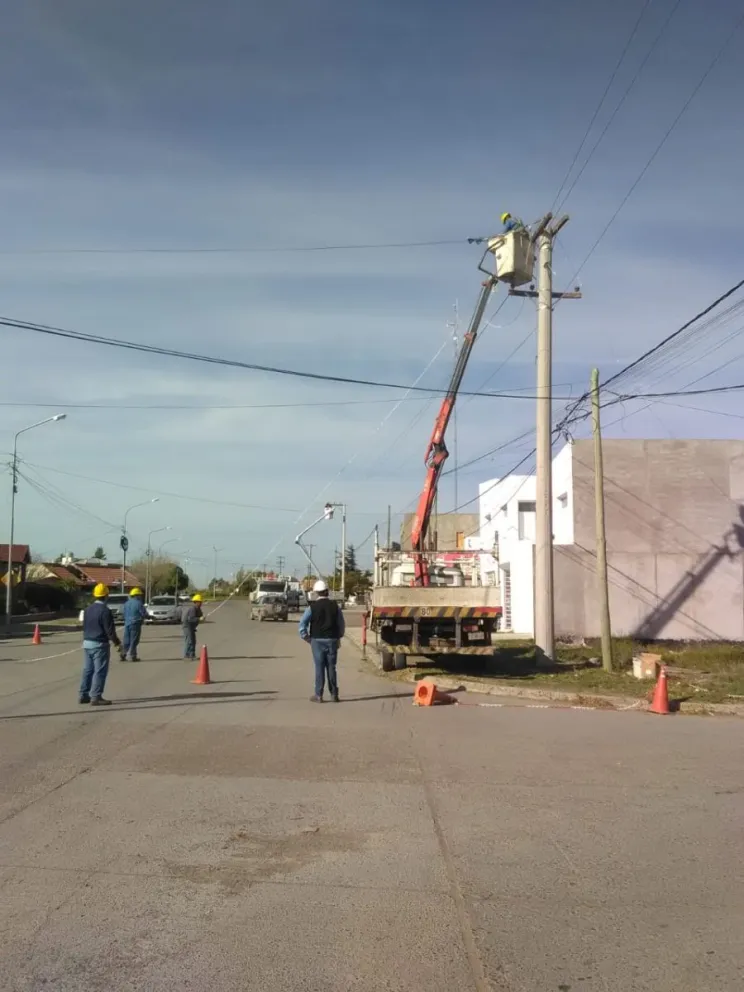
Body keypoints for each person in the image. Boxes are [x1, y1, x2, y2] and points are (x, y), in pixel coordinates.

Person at [298, 580, 345, 703]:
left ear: (316, 593)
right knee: (331, 667)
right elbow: (341, 624)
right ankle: (334, 694)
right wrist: (338, 637)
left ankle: (318, 695)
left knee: (319, 667)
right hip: (332, 640)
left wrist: (306, 637)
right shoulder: (335, 606)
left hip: (317, 640)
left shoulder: (312, 608)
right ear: (327, 591)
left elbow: (302, 624)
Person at [79, 582, 121, 706]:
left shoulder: (87, 609)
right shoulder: (105, 611)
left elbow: (85, 626)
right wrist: (117, 643)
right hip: (99, 644)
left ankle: (83, 694)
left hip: (87, 643)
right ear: (106, 595)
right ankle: (96, 696)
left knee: (88, 670)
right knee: (100, 670)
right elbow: (110, 631)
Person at [121, 587, 146, 662]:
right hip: (135, 623)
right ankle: (132, 655)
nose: (140, 596)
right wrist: (148, 617)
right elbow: (143, 613)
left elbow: (123, 613)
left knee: (127, 640)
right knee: (134, 640)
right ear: (136, 595)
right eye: (139, 595)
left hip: (127, 623)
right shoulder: (138, 603)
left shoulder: (126, 603)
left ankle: (123, 653)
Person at [181, 593, 203, 660]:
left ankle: (192, 655)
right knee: (189, 640)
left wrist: (201, 617)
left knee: (193, 640)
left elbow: (199, 615)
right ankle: (186, 655)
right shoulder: (192, 609)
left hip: (191, 627)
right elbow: (191, 619)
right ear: (196, 602)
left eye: (201, 602)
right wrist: (199, 619)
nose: (201, 603)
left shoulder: (198, 609)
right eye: (200, 602)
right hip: (187, 626)